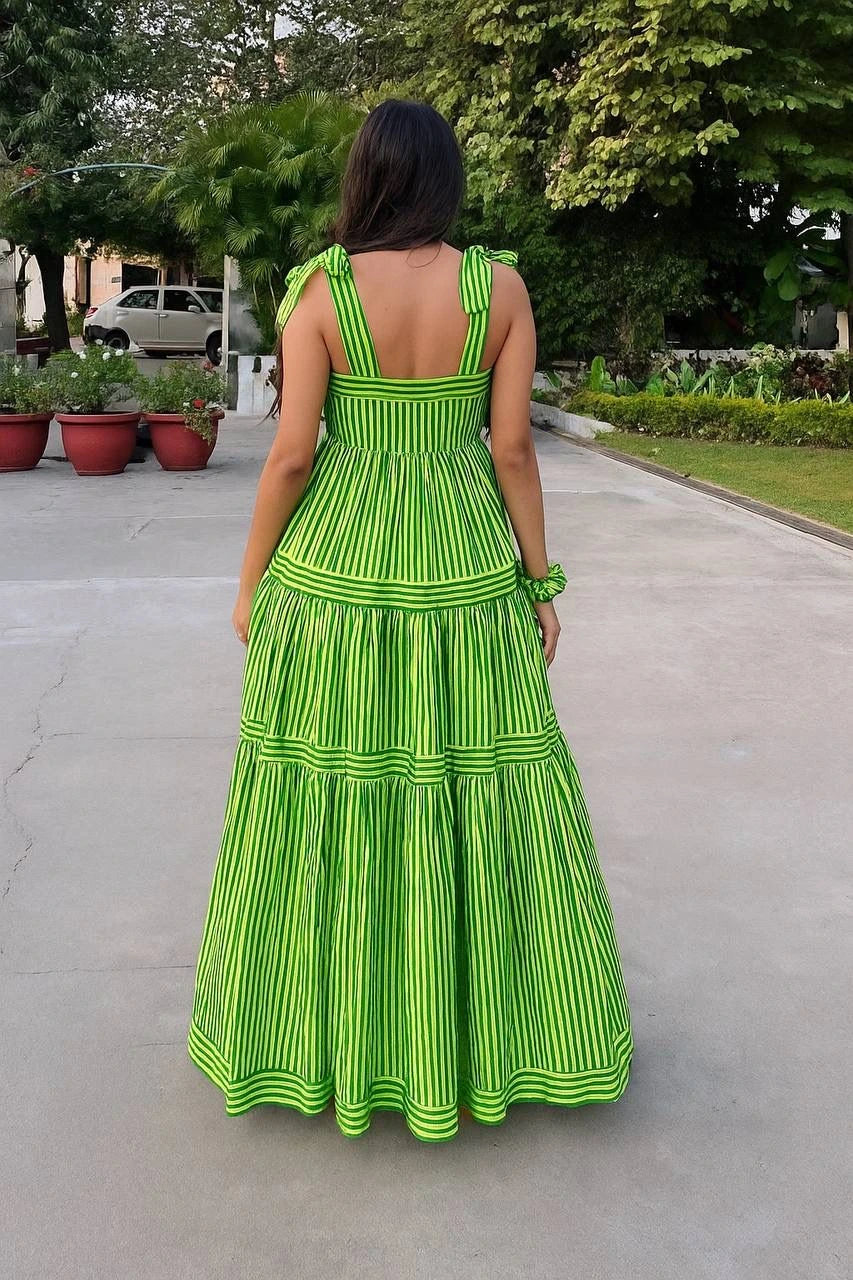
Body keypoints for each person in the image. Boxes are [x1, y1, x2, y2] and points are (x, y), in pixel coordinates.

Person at [187, 98, 633, 1142]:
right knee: (479, 788)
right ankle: (487, 1045)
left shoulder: (322, 288)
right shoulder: (499, 288)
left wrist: (251, 583)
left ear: (364, 178)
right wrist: (539, 583)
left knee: (333, 799)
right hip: (464, 571)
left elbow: (292, 453)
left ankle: (324, 1043)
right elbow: (513, 447)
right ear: (446, 179)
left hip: (337, 573)